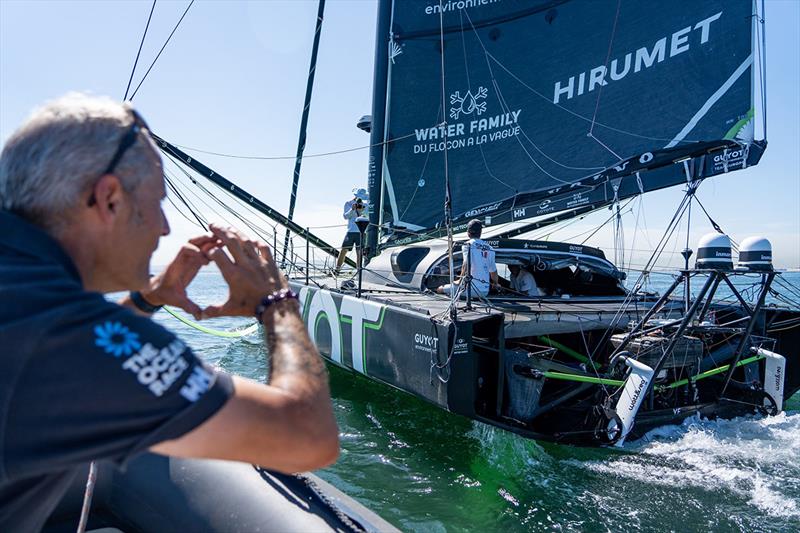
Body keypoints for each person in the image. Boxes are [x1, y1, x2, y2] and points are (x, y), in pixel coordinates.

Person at [0, 94, 338, 532]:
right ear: (109, 199)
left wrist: (149, 298)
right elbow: (308, 439)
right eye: (158, 202)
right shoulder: (62, 333)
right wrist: (278, 303)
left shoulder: (30, 305)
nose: (163, 227)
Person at [437, 219, 498, 298]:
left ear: (468, 232)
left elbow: (466, 264)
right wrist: (495, 284)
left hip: (470, 290)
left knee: (439, 289)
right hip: (484, 292)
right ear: (480, 232)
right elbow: (493, 271)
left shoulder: (467, 245)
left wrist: (459, 281)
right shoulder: (490, 248)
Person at [334, 187, 367, 274]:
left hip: (362, 231)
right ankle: (337, 269)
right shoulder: (348, 203)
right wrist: (352, 209)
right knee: (343, 250)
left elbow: (367, 216)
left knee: (359, 252)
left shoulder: (366, 205)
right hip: (351, 230)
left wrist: (362, 211)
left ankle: (358, 272)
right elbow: (345, 216)